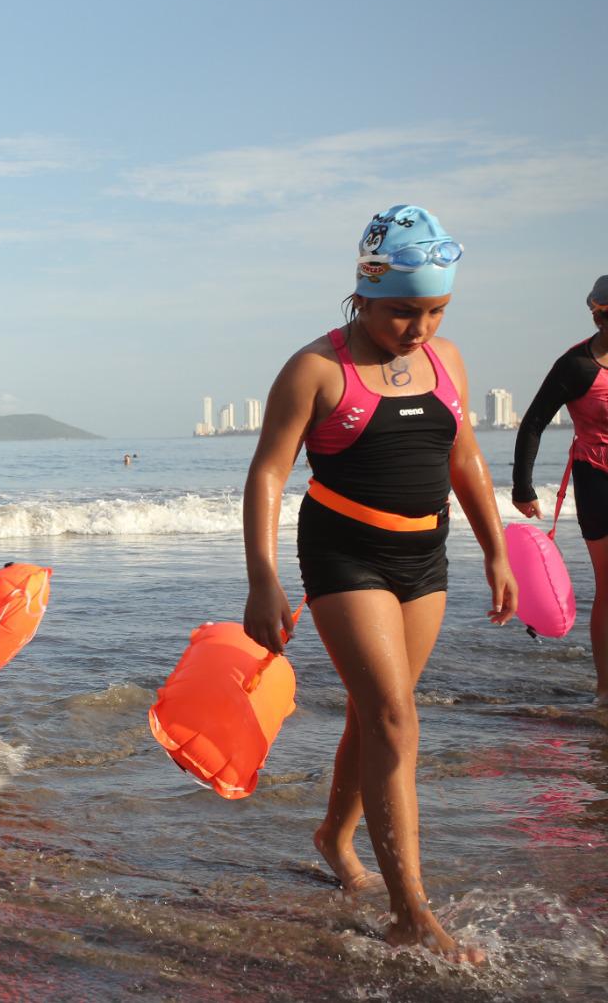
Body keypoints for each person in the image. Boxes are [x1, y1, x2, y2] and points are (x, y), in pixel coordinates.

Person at [243, 205, 516, 963]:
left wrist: (497, 549)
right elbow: (268, 473)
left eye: (434, 310)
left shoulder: (448, 361)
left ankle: (334, 835)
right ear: (362, 292)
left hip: (425, 558)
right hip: (343, 552)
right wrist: (262, 580)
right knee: (395, 718)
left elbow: (464, 459)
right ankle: (410, 911)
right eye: (403, 311)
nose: (419, 327)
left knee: (377, 716)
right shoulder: (317, 370)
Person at [511, 275, 608, 704]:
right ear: (596, 311)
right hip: (597, 479)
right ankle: (606, 690)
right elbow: (533, 421)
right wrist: (523, 487)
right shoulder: (576, 366)